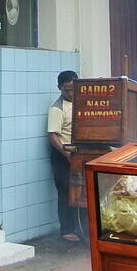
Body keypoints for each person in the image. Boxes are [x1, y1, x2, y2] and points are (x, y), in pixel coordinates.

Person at [47, 70, 80, 242]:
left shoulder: (81, 103)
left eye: (73, 89)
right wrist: (66, 153)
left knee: (80, 191)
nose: (70, 93)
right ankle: (66, 229)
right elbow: (52, 135)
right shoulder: (57, 108)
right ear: (59, 87)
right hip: (62, 155)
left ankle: (80, 227)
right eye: (67, 90)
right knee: (65, 191)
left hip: (79, 155)